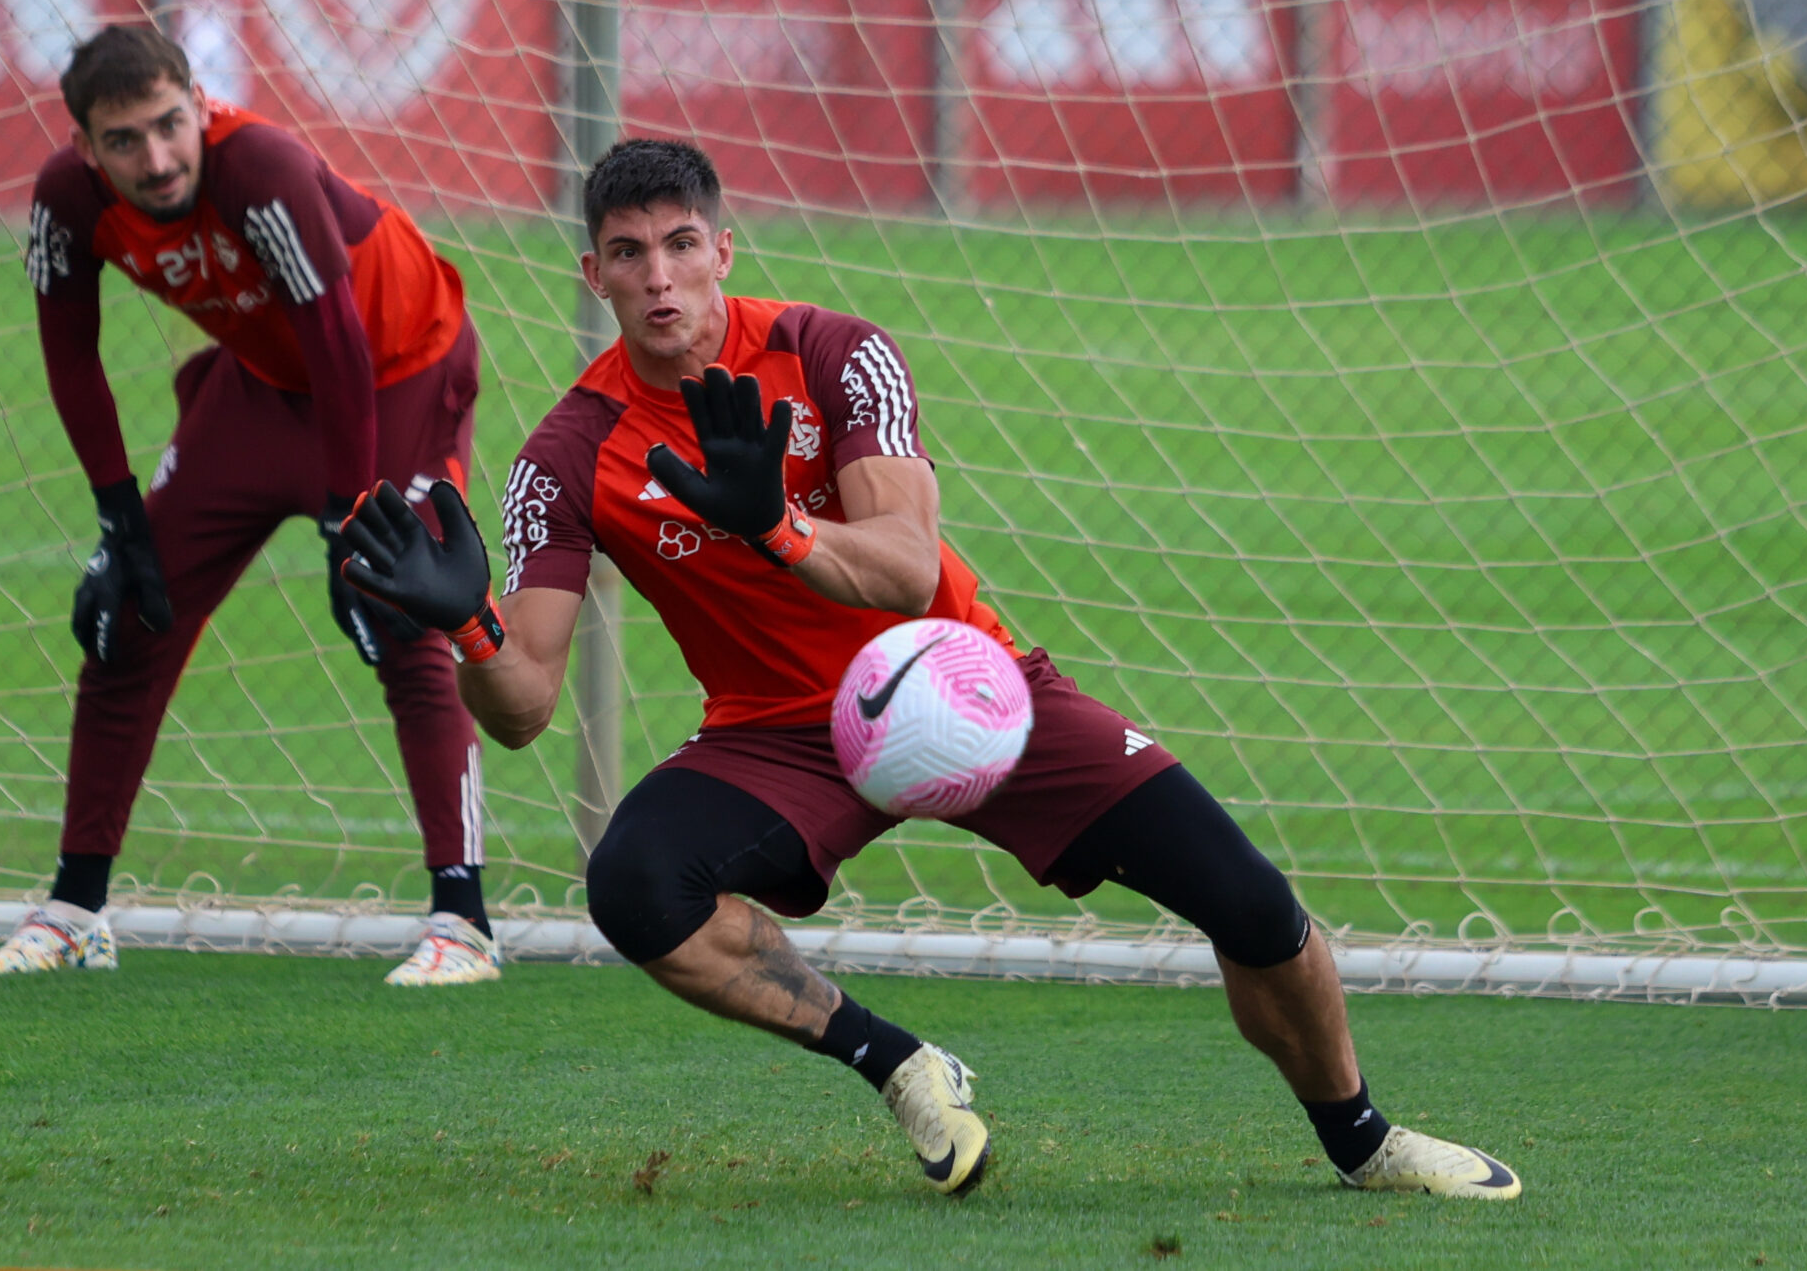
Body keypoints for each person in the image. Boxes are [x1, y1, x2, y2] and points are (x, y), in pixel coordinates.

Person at [333, 137, 1521, 1196]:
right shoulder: (569, 450)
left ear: (722, 248)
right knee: (636, 887)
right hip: (778, 732)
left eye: (680, 245)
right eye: (627, 253)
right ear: (591, 275)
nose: (657, 278)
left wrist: (775, 529)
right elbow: (527, 708)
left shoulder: (834, 354)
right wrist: (468, 627)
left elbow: (904, 573)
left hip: (965, 685)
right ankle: (900, 1066)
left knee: (1250, 904)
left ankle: (1364, 1142)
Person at [0, 23, 499, 988]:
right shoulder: (65, 200)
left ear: (201, 103)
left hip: (399, 373)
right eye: (124, 140)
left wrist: (349, 517)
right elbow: (70, 353)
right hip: (261, 384)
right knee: (131, 613)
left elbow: (339, 337)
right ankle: (76, 910)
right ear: (84, 146)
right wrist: (118, 516)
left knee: (404, 618)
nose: (156, 158)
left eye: (170, 125)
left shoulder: (261, 166)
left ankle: (464, 922)